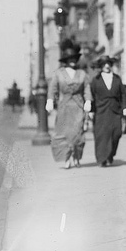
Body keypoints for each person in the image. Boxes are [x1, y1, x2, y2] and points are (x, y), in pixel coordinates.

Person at [45, 39, 92, 169]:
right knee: (64, 133)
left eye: (74, 58)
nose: (72, 61)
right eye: (69, 58)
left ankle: (76, 156)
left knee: (77, 133)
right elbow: (53, 88)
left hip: (78, 107)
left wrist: (88, 101)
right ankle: (66, 157)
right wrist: (50, 100)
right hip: (64, 107)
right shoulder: (59, 74)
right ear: (65, 60)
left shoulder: (82, 74)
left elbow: (87, 88)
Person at [89, 55, 126, 167]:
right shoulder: (96, 80)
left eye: (108, 64)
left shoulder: (117, 78)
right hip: (100, 111)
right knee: (101, 135)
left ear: (111, 65)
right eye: (104, 64)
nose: (107, 66)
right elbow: (92, 95)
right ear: (101, 66)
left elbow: (122, 94)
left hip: (115, 110)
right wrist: (91, 110)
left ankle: (110, 155)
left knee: (116, 133)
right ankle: (102, 158)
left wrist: (125, 107)